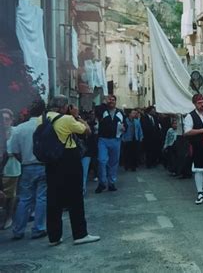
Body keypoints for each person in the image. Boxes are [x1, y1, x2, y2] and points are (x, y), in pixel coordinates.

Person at [44, 95, 99, 246]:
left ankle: (54, 236)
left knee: (53, 198)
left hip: (51, 161)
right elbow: (86, 131)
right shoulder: (66, 119)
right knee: (75, 197)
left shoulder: (42, 118)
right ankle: (80, 234)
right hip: (68, 159)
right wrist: (77, 116)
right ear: (65, 107)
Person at [10, 99, 47, 240]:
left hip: (26, 166)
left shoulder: (20, 128)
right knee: (41, 198)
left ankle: (18, 230)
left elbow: (14, 151)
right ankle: (38, 228)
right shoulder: (45, 127)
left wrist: (23, 161)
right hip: (43, 165)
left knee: (24, 199)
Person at [184, 94, 203, 205]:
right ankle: (199, 192)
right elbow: (187, 132)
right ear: (195, 104)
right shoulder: (190, 116)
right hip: (197, 146)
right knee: (198, 169)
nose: (202, 104)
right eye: (199, 103)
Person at [95, 95, 126, 193]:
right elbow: (97, 109)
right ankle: (102, 183)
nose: (111, 101)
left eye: (113, 100)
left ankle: (111, 183)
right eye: (109, 99)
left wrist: (125, 129)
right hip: (103, 139)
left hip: (116, 140)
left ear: (116, 101)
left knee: (113, 162)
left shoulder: (120, 112)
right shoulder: (102, 110)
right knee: (102, 160)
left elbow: (125, 124)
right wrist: (105, 102)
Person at [0, 108, 20, 230]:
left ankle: (9, 217)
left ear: (12, 120)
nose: (4, 122)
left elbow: (17, 148)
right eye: (2, 119)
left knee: (10, 195)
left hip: (12, 167)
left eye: (7, 119)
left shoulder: (16, 132)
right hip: (1, 168)